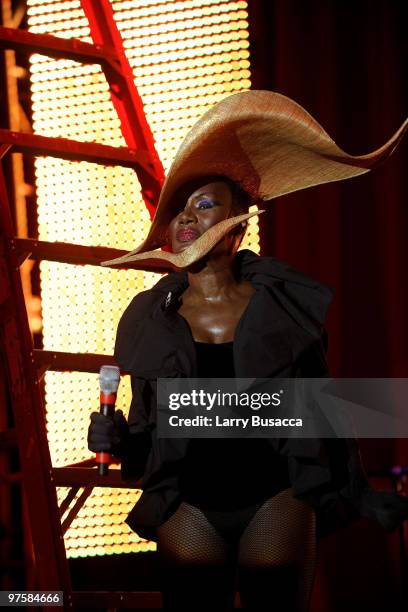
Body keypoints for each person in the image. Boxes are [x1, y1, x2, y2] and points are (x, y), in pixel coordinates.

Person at [88, 91, 408, 611]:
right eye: (180, 210)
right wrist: (119, 438)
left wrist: (360, 494)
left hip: (275, 497)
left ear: (238, 224)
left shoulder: (282, 305)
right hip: (189, 505)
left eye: (205, 203)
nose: (186, 217)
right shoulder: (153, 320)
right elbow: (151, 430)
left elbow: (319, 410)